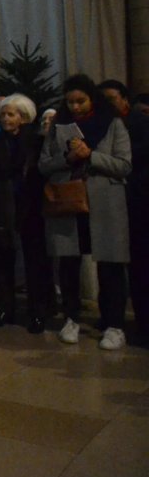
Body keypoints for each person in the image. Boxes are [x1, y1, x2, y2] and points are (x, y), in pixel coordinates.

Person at [40, 74, 132, 350]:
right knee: (69, 263)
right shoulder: (59, 126)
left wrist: (91, 155)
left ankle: (114, 324)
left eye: (80, 101)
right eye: (70, 102)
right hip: (70, 201)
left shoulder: (112, 124)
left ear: (92, 99)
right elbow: (44, 164)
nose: (76, 107)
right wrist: (67, 158)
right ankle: (71, 318)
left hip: (104, 202)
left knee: (110, 265)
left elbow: (124, 164)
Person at [0, 94, 51, 333]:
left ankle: (38, 312)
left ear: (23, 117)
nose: (6, 118)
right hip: (2, 205)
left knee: (34, 261)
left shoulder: (36, 142)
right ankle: (4, 308)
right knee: (2, 258)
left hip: (29, 206)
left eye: (11, 114)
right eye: (3, 115)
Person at [98, 80, 149, 344]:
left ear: (125, 99)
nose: (107, 104)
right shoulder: (101, 125)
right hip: (110, 203)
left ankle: (143, 322)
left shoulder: (140, 123)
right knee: (110, 264)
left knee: (141, 266)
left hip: (138, 203)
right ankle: (110, 317)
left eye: (111, 98)